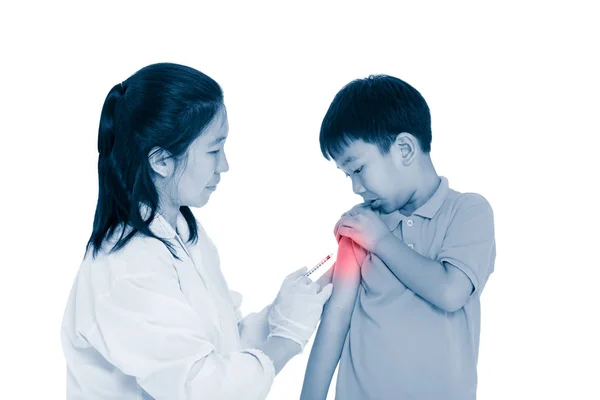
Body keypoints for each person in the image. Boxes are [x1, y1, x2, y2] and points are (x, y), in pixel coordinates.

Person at [60, 62, 333, 400]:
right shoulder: (126, 267)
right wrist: (287, 340)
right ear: (160, 161)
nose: (225, 165)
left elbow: (218, 347)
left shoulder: (184, 233)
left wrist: (278, 315)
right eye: (214, 150)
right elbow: (203, 388)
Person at [300, 75, 496, 399]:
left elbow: (450, 291)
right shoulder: (363, 224)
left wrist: (380, 241)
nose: (355, 187)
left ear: (404, 149)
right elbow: (334, 324)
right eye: (347, 176)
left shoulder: (468, 211)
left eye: (359, 169)